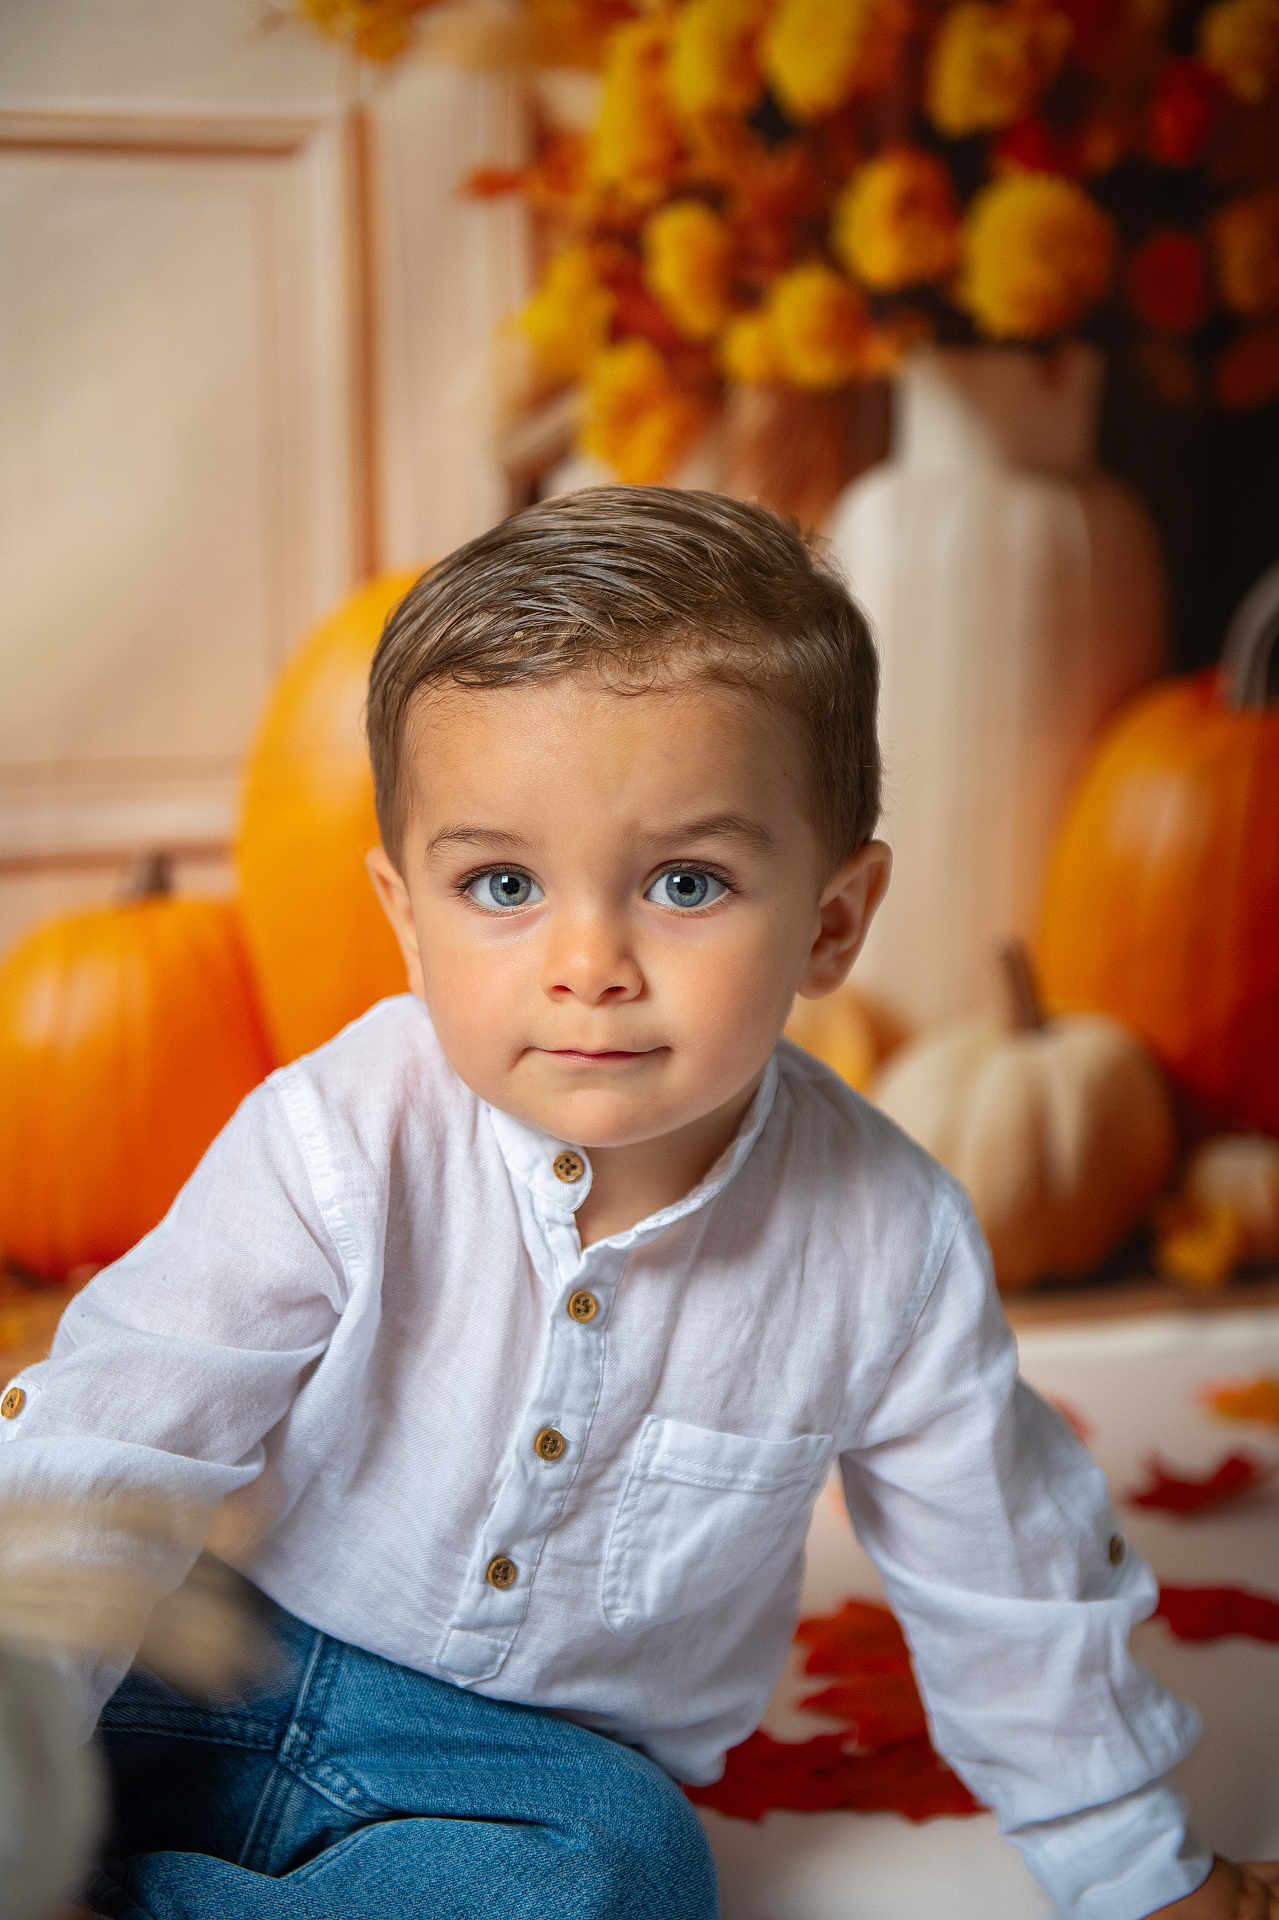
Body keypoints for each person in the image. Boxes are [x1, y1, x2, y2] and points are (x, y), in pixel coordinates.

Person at [0, 487, 1274, 1920]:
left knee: (629, 1873)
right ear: (404, 914)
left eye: (685, 881)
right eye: (502, 883)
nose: (589, 961)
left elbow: (1009, 1571)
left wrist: (1136, 1869)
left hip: (514, 1770)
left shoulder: (886, 1239)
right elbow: (118, 1441)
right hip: (223, 1659)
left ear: (832, 921)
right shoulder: (336, 1140)